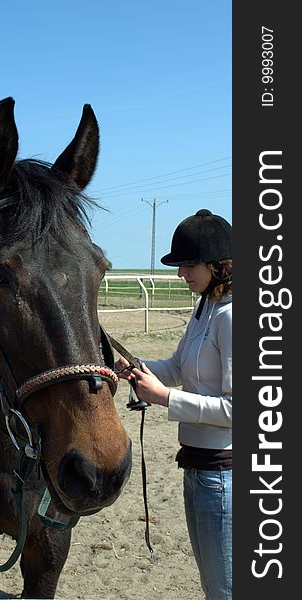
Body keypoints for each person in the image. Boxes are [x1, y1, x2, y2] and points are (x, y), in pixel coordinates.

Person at [116, 209, 232, 600]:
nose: (181, 274)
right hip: (198, 468)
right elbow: (178, 367)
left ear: (218, 264)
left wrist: (164, 398)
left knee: (225, 588)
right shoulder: (205, 308)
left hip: (225, 475)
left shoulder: (234, 316)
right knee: (214, 585)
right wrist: (134, 367)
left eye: (188, 264)